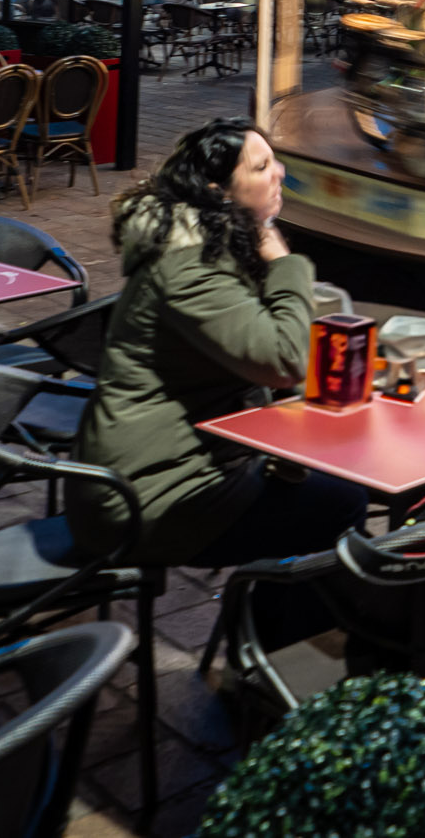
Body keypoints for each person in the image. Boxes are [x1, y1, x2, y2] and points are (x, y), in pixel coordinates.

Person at [69, 120, 367, 581]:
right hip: (146, 498)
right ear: (220, 191)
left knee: (329, 484)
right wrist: (283, 259)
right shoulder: (191, 270)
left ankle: (274, 615)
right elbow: (284, 360)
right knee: (342, 503)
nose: (280, 173)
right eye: (262, 166)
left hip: (191, 468)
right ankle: (260, 636)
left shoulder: (207, 248)